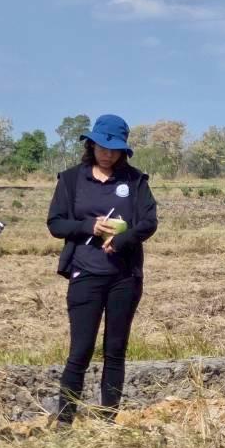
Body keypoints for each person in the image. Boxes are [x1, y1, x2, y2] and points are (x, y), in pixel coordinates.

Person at [47, 114, 157, 424]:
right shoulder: (70, 180)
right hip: (85, 274)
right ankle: (65, 421)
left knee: (115, 349)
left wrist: (123, 239)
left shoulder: (135, 182)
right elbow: (55, 224)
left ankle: (109, 419)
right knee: (80, 350)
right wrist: (88, 227)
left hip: (124, 277)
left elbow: (149, 222)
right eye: (102, 147)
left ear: (123, 151)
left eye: (114, 149)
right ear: (91, 145)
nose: (107, 154)